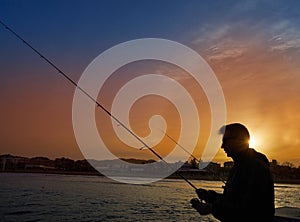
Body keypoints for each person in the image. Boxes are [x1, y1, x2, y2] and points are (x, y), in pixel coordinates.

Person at [190, 123, 274, 221]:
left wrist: (212, 208)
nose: (222, 146)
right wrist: (210, 197)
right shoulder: (241, 165)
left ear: (240, 140)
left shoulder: (254, 167)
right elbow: (234, 200)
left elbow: (250, 211)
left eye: (225, 141)